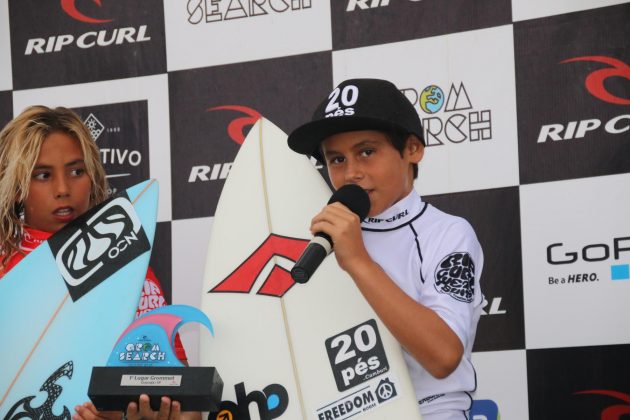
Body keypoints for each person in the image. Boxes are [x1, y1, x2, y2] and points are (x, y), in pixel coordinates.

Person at [287, 78, 484, 420]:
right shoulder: (318, 241)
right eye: (336, 159)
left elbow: (442, 356)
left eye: (366, 152)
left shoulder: (448, 233)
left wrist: (359, 261)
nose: (351, 173)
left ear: (412, 150)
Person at [0, 105, 198, 420]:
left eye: (76, 171)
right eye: (43, 175)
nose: (63, 189)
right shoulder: (5, 271)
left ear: (93, 177)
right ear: (17, 186)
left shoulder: (127, 266)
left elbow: (188, 408)